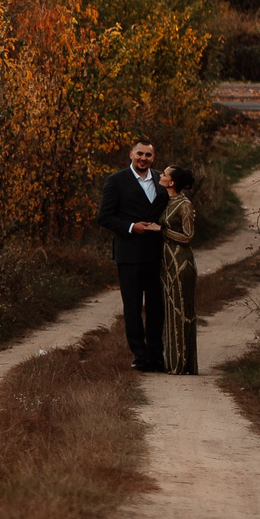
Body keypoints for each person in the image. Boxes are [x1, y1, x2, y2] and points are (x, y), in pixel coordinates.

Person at [96, 139, 167, 372]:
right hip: (129, 254)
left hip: (157, 254)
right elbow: (104, 217)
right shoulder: (116, 181)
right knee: (133, 307)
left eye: (148, 155)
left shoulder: (161, 180)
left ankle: (157, 355)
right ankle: (140, 354)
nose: (143, 158)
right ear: (131, 154)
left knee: (157, 307)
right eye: (140, 154)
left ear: (153, 158)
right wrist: (130, 227)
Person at [159, 165, 199, 374]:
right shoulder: (166, 201)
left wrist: (163, 231)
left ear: (172, 182)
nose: (161, 175)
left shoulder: (184, 204)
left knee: (181, 311)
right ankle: (172, 362)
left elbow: (188, 236)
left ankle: (181, 365)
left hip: (181, 263)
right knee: (170, 311)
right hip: (167, 263)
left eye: (165, 174)